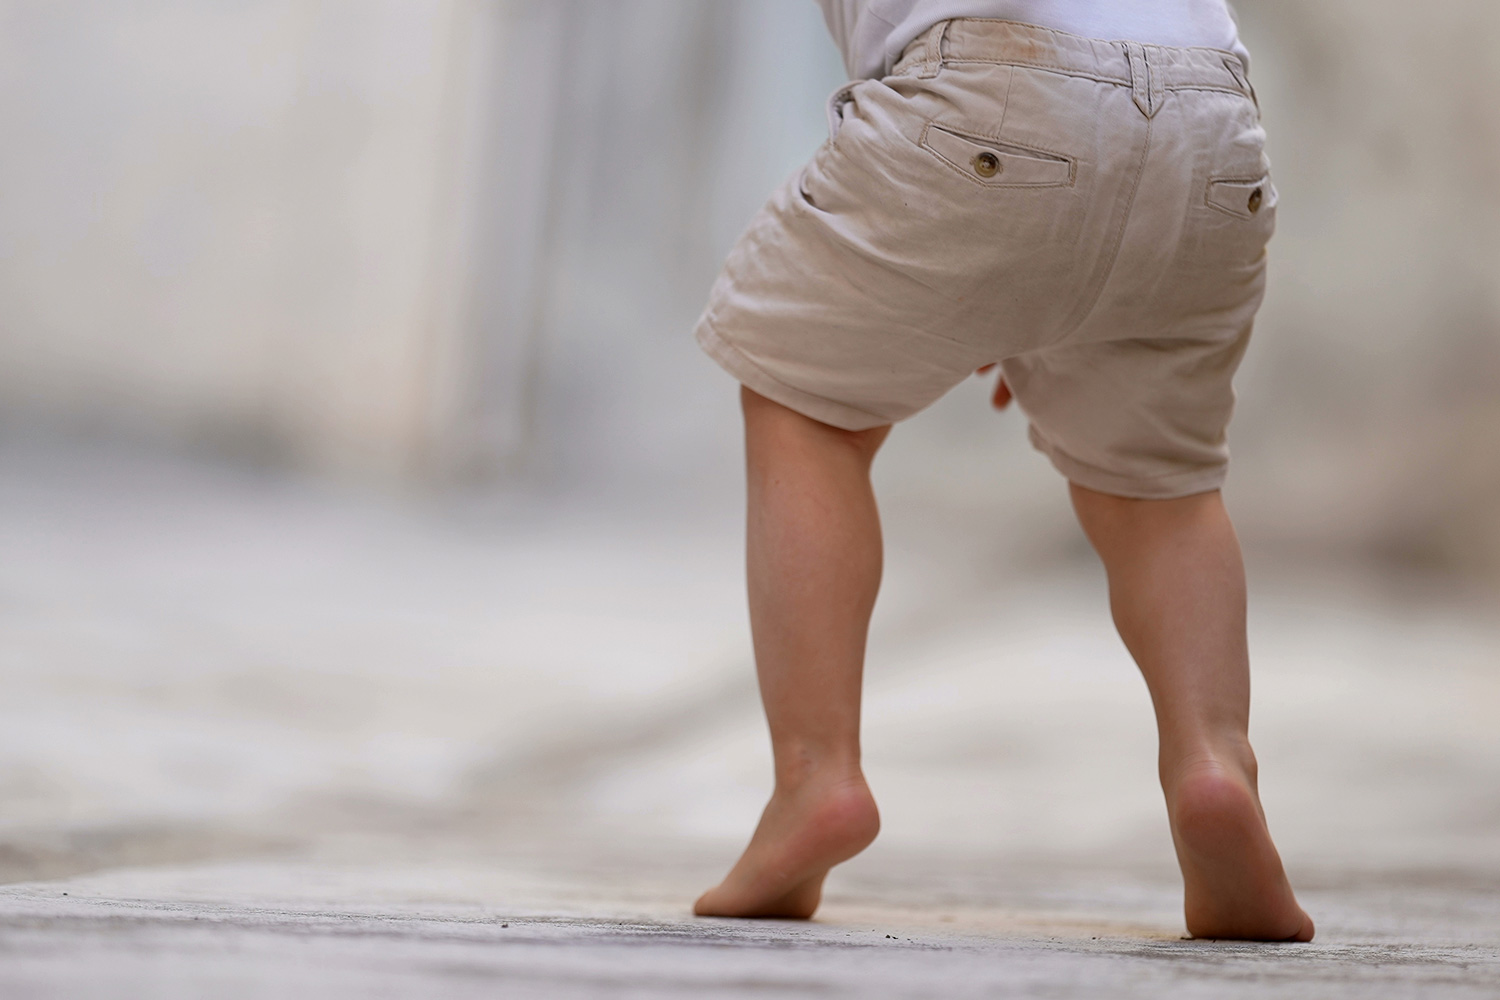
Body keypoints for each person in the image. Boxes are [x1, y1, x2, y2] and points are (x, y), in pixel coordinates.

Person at [690, 1, 1314, 942]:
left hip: (988, 94)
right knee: (1160, 487)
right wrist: (1027, 293)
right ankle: (1214, 765)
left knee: (805, 404)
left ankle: (815, 779)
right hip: (1211, 128)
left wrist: (984, 256)